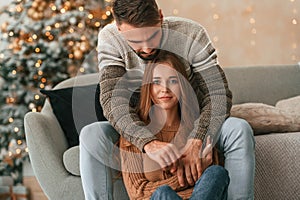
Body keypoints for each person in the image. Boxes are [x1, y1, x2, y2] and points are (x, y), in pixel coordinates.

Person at [79, 0, 255, 199]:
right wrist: (148, 142)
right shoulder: (110, 38)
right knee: (91, 135)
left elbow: (218, 94)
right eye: (135, 42)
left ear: (161, 17)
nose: (146, 49)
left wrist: (197, 138)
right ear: (119, 28)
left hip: (189, 118)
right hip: (137, 122)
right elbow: (113, 101)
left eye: (153, 36)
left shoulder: (191, 34)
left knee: (238, 128)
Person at [120, 50, 230, 200]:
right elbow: (138, 193)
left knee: (216, 173)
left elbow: (210, 186)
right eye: (157, 82)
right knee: (163, 193)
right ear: (149, 88)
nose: (165, 88)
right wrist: (185, 178)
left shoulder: (197, 129)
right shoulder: (135, 131)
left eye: (173, 81)